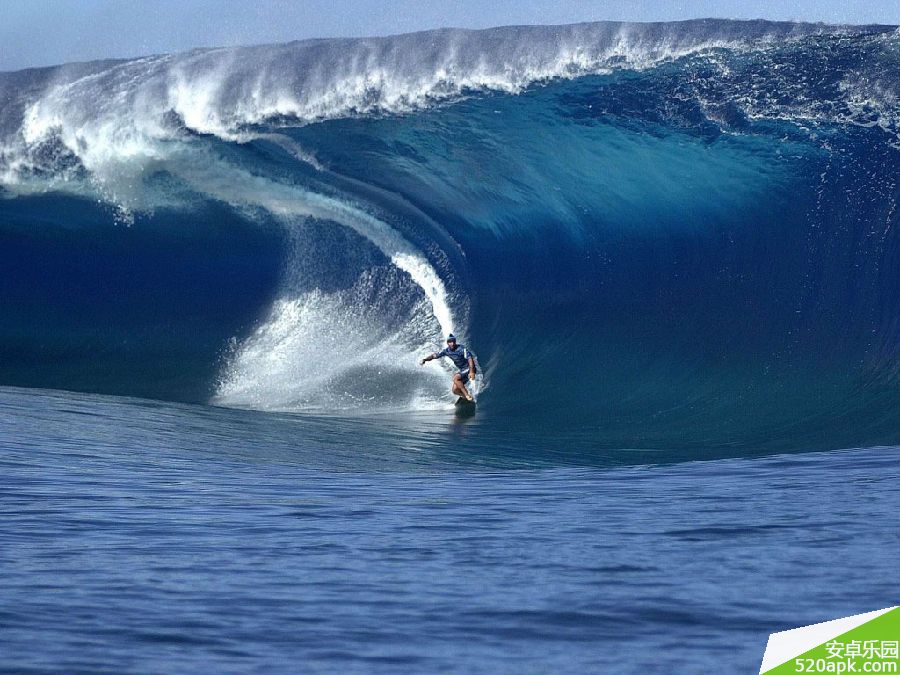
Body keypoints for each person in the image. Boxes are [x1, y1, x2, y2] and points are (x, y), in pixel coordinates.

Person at [420, 334, 478, 401]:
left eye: (453, 341)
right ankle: (467, 398)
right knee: (455, 390)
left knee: (455, 378)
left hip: (469, 368)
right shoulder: (446, 351)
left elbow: (470, 359)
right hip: (462, 370)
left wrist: (472, 371)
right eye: (450, 342)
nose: (452, 343)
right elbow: (434, 356)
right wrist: (425, 360)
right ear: (447, 343)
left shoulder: (462, 349)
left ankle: (467, 395)